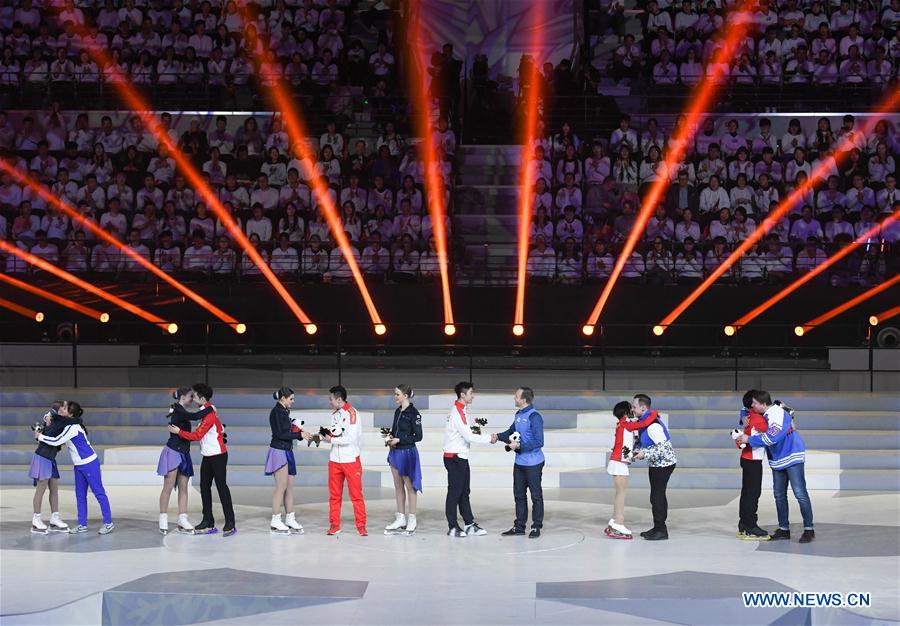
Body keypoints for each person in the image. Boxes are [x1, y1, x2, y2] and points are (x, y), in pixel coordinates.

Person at [739, 390, 814, 543]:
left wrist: (749, 439)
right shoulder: (765, 410)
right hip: (778, 458)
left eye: (754, 403)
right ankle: (784, 529)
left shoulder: (776, 414)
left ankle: (808, 529)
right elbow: (745, 409)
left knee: (799, 493)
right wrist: (742, 417)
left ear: (763, 404)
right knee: (779, 495)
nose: (752, 407)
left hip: (792, 455)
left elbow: (771, 437)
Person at [35, 401, 113, 535]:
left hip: (89, 464)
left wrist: (40, 436)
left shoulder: (73, 428)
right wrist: (46, 419)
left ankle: (108, 523)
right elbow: (54, 417)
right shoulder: (68, 423)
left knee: (99, 493)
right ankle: (82, 524)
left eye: (64, 408)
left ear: (70, 414)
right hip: (79, 465)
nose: (61, 409)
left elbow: (57, 441)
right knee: (80, 495)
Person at [169, 384, 235, 536]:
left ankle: (230, 522)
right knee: (204, 487)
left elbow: (197, 435)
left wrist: (179, 431)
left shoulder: (209, 413)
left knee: (221, 487)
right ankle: (208, 520)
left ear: (202, 398)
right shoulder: (205, 410)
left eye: (195, 396)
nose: (193, 398)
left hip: (218, 456)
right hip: (208, 456)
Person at [157, 386, 210, 535]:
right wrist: (210, 409)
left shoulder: (179, 409)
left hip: (184, 453)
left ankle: (182, 517)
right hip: (173, 451)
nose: (192, 399)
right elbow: (194, 417)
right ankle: (163, 517)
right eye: (190, 397)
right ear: (182, 397)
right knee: (168, 486)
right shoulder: (179, 410)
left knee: (183, 487)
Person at [443, 381, 492, 537]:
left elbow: (465, 433)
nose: (473, 395)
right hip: (455, 457)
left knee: (464, 492)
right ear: (463, 395)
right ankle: (452, 526)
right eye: (471, 393)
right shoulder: (457, 412)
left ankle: (469, 524)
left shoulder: (462, 410)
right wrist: (490, 438)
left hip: (461, 456)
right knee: (455, 492)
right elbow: (468, 436)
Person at [494, 387, 545, 538]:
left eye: (516, 396)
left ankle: (536, 526)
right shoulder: (518, 414)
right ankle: (519, 526)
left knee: (536, 496)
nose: (514, 398)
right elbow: (510, 432)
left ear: (523, 400)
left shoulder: (534, 417)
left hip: (534, 463)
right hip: (520, 463)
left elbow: (539, 441)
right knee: (519, 495)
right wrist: (496, 436)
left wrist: (520, 446)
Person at [605, 401, 660, 540]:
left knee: (620, 493)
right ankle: (619, 522)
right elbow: (644, 423)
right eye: (631, 408)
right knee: (621, 493)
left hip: (619, 461)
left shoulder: (623, 424)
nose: (633, 410)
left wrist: (630, 455)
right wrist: (654, 413)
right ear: (625, 412)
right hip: (618, 462)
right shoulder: (625, 424)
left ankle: (614, 521)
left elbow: (624, 444)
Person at [631, 394, 676, 540]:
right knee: (656, 496)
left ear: (643, 408)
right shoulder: (644, 421)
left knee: (657, 496)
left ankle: (661, 530)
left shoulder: (653, 425)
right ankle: (657, 527)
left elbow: (664, 448)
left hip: (663, 464)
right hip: (656, 463)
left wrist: (644, 453)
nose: (632, 409)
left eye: (634, 407)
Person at [265, 387, 308, 535]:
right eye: (291, 399)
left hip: (287, 450)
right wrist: (299, 434)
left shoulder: (284, 411)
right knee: (281, 487)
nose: (293, 402)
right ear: (283, 398)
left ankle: (290, 517)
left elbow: (287, 432)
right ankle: (275, 521)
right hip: (279, 451)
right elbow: (280, 434)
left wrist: (298, 432)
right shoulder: (276, 412)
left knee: (289, 486)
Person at [325, 385, 367, 536]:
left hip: (350, 460)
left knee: (356, 495)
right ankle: (334, 525)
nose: (329, 402)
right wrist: (325, 437)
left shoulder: (352, 413)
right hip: (334, 460)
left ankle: (361, 526)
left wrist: (331, 440)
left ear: (339, 399)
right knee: (334, 495)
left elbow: (350, 438)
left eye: (331, 399)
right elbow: (335, 434)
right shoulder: (334, 414)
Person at [384, 384, 423, 534]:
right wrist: (391, 438)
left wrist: (400, 439)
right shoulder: (397, 411)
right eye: (395, 394)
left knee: (410, 486)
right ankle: (401, 517)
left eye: (397, 394)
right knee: (398, 486)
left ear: (405, 396)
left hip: (407, 453)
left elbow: (418, 436)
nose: (395, 396)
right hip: (395, 453)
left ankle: (412, 518)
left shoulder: (414, 413)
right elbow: (395, 431)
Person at [29, 400, 69, 533]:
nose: (66, 410)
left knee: (54, 488)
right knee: (41, 488)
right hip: (42, 457)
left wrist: (45, 423)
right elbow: (40, 435)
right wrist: (45, 424)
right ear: (57, 411)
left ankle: (55, 518)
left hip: (51, 458)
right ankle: (36, 518)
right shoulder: (54, 422)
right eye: (64, 408)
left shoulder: (54, 422)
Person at [735, 390, 770, 540]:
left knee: (746, 493)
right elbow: (770, 436)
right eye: (755, 402)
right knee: (753, 494)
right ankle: (751, 526)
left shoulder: (750, 416)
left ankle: (743, 524)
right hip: (753, 460)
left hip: (747, 458)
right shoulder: (759, 420)